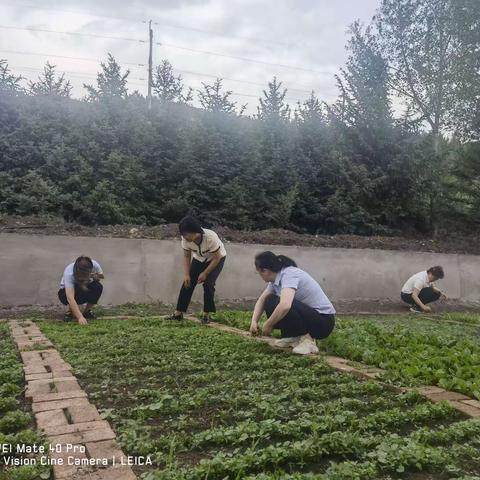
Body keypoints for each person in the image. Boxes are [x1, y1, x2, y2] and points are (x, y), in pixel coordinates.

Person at [249, 251, 335, 355]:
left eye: (259, 272)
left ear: (266, 271)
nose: (259, 275)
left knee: (284, 303)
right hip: (310, 316)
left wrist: (268, 324)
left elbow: (285, 306)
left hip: (323, 322)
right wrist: (254, 321)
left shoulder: (289, 274)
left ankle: (308, 341)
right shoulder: (275, 279)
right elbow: (262, 300)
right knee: (270, 300)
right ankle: (293, 337)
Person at [165, 216, 226, 324]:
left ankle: (206, 315)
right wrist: (187, 274)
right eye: (183, 234)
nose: (184, 237)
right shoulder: (185, 239)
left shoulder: (210, 237)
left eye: (186, 234)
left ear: (195, 231)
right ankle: (178, 313)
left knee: (208, 284)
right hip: (199, 258)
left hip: (216, 259)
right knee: (187, 282)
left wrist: (205, 273)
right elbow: (186, 256)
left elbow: (217, 257)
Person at [58, 256, 104, 325]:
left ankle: (87, 312)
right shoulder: (69, 273)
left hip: (85, 287)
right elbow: (70, 298)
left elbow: (102, 276)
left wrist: (95, 276)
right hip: (66, 292)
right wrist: (80, 317)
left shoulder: (94, 264)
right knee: (70, 293)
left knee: (98, 286)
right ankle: (70, 312)